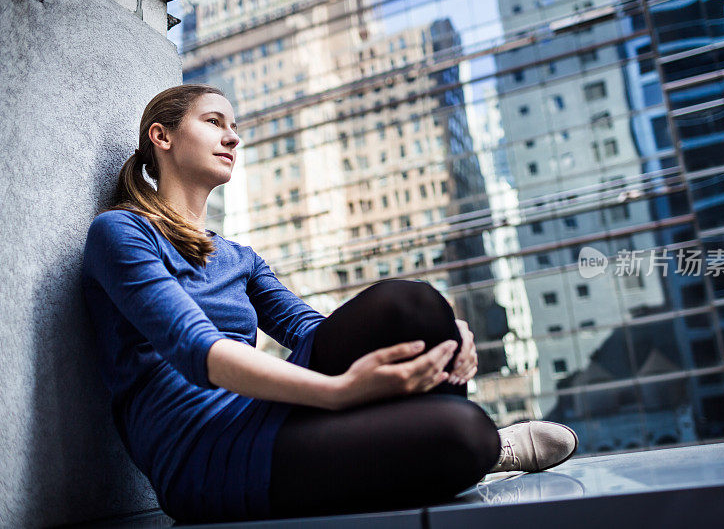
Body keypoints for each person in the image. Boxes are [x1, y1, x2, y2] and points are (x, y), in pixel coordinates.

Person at [81, 84, 578, 523]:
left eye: (235, 127)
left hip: (269, 410)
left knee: (412, 306)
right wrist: (339, 392)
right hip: (202, 452)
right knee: (464, 434)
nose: (233, 138)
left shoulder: (240, 258)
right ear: (161, 137)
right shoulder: (120, 232)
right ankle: (481, 448)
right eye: (214, 123)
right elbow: (194, 346)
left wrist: (449, 333)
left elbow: (315, 332)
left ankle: (442, 442)